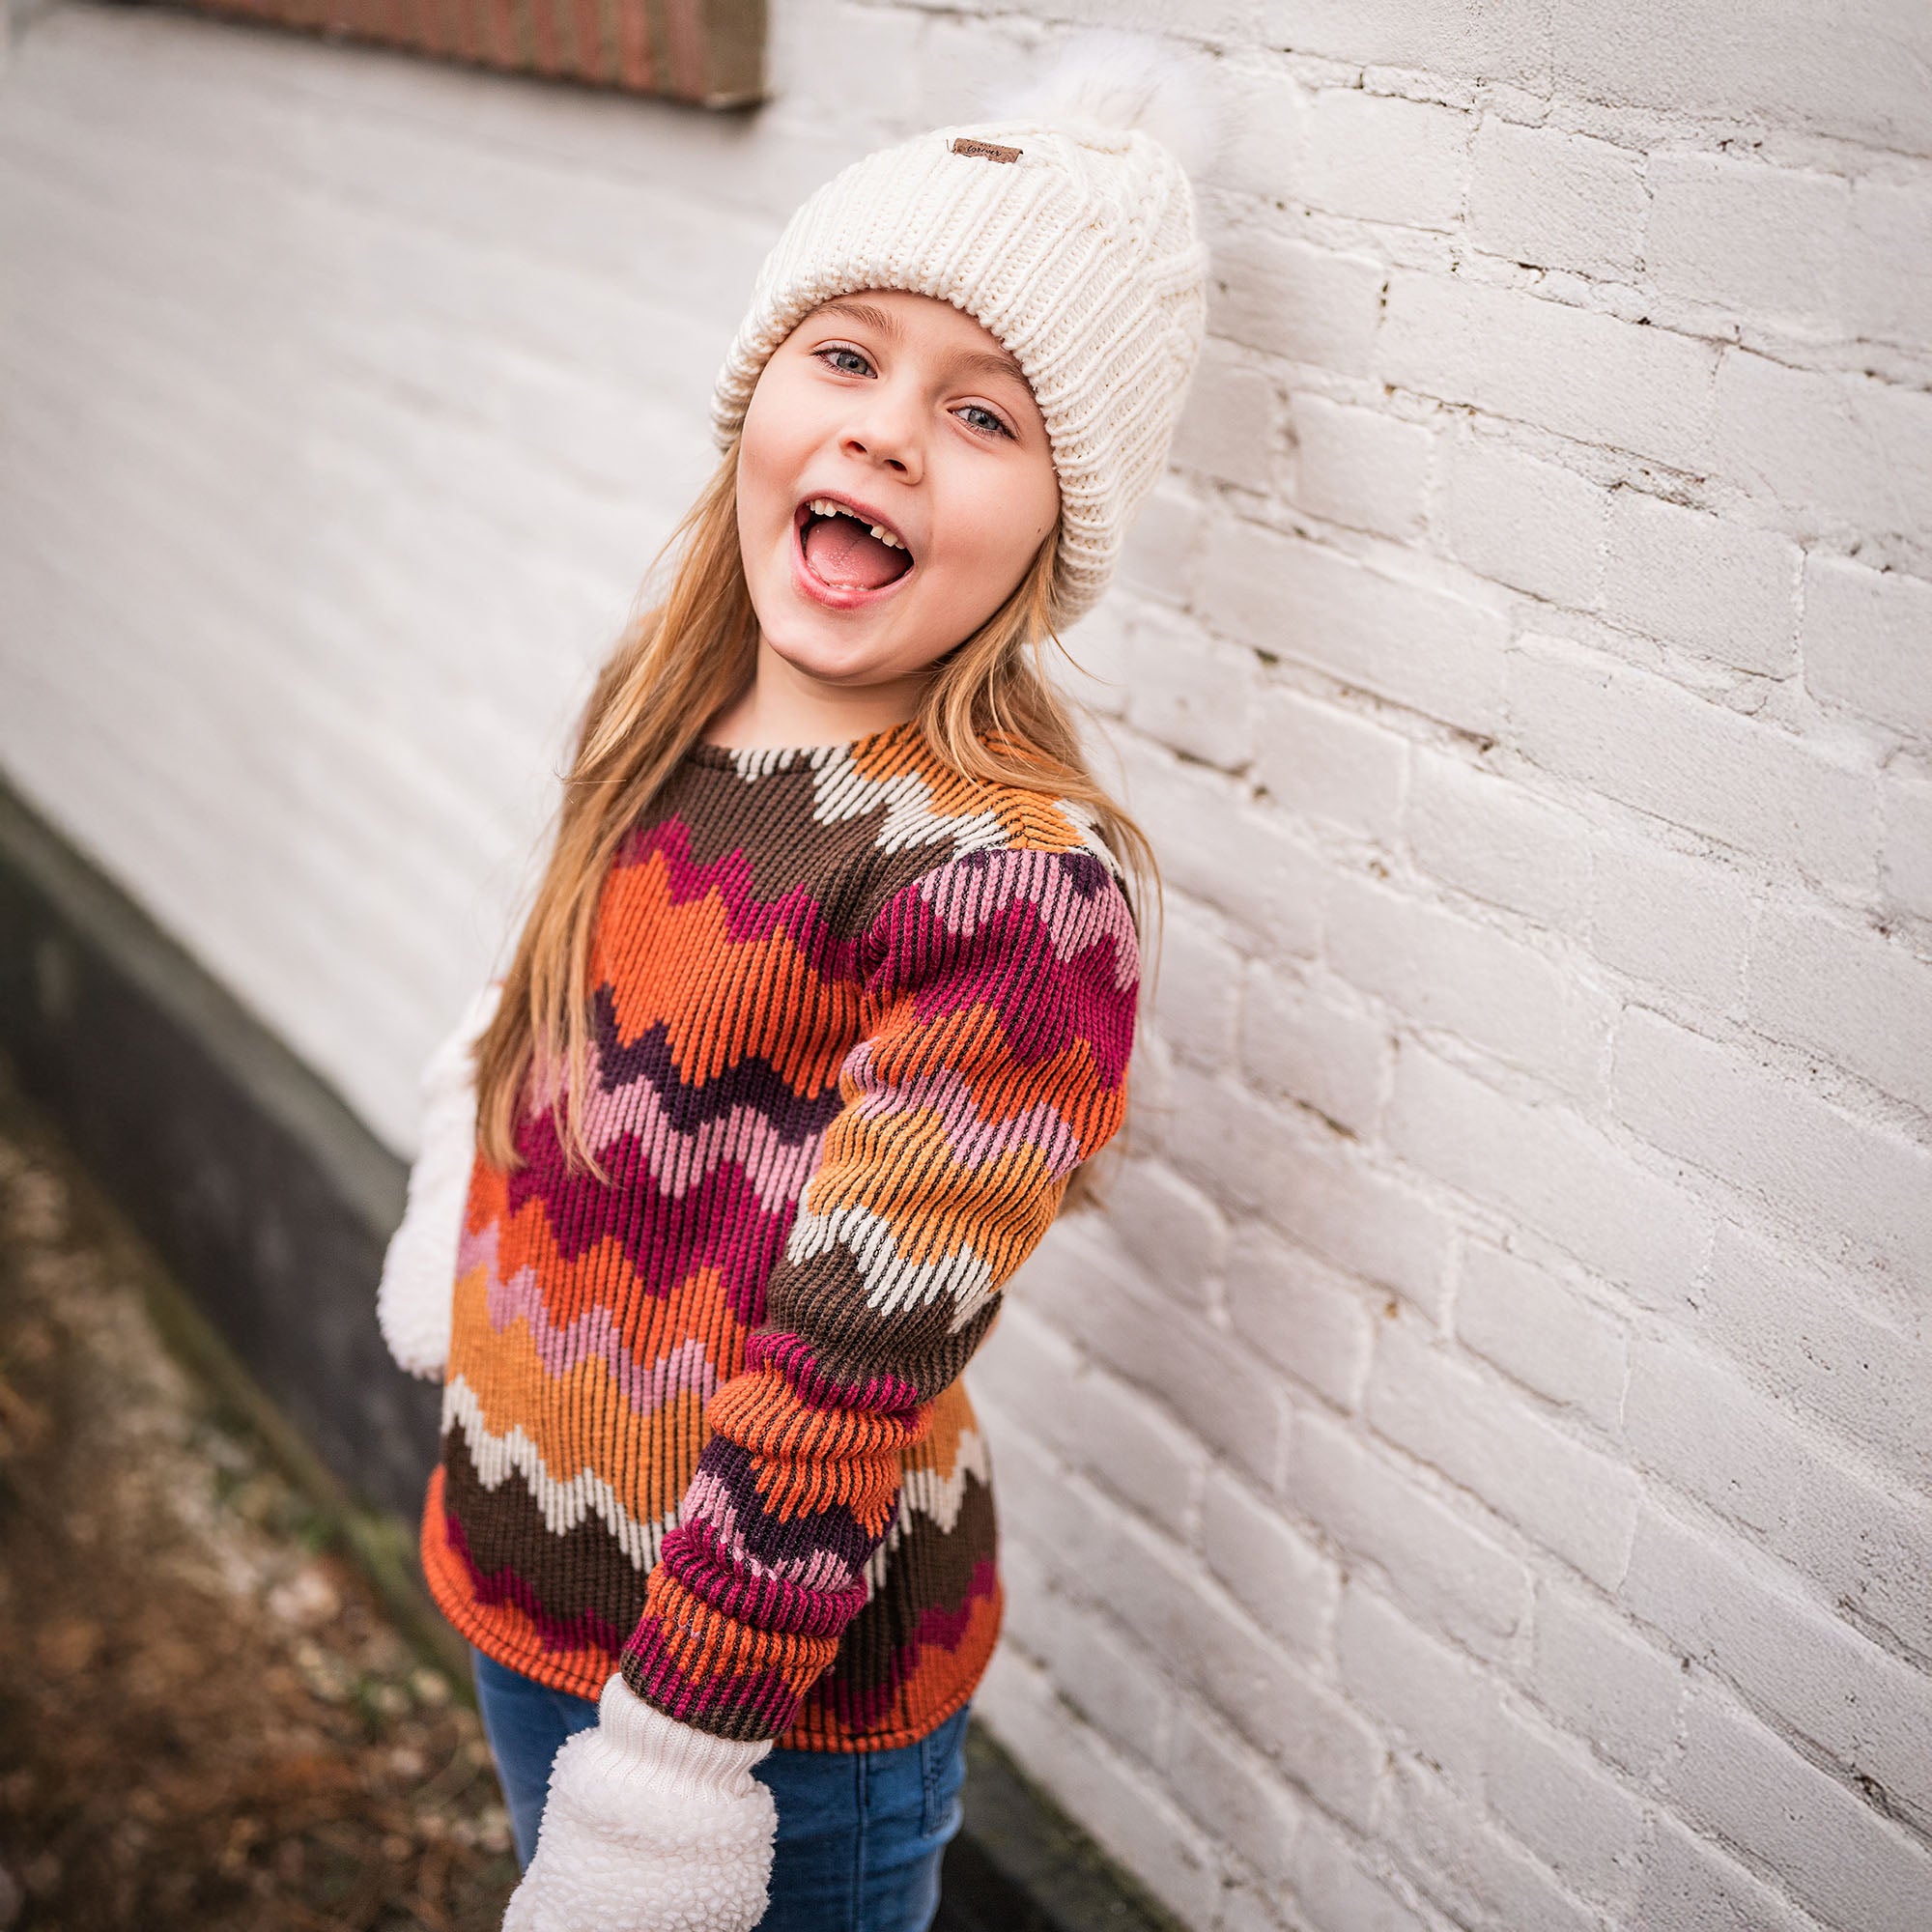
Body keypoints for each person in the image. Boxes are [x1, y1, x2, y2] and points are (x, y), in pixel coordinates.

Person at [375, 29, 1212, 1932]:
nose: (888, 433)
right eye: (846, 356)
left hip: (761, 1731)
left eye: (984, 414)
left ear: (1058, 526)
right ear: (757, 393)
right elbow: (535, 1001)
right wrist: (459, 1194)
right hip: (525, 1582)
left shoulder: (1011, 891)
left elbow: (838, 1387)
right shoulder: (673, 707)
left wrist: (666, 1783)